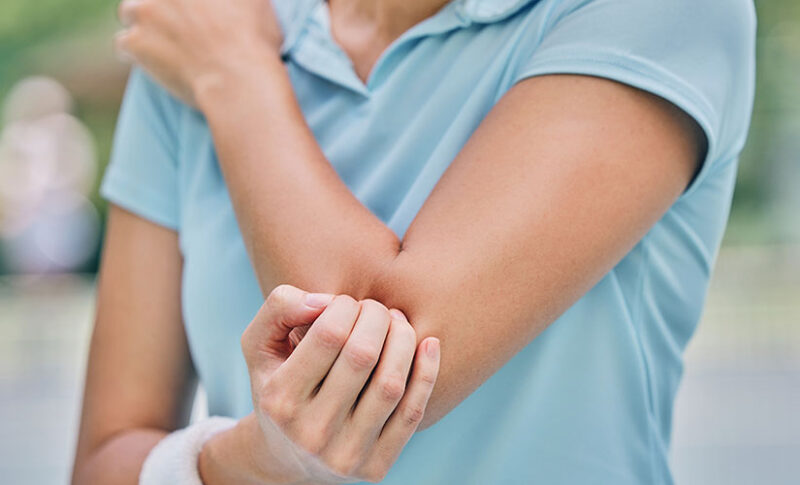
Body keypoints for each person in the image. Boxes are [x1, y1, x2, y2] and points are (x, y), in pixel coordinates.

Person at [71, 0, 756, 483]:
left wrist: (237, 78)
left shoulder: (662, 11)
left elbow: (379, 364)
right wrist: (245, 463)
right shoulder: (201, 28)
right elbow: (105, 456)